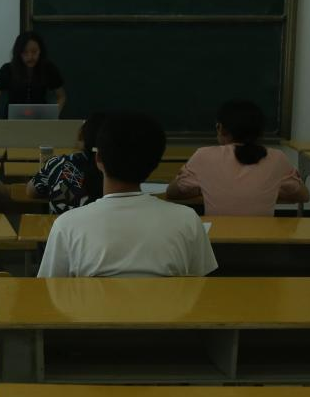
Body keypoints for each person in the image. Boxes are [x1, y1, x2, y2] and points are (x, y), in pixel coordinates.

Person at [38, 113, 218, 278]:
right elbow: (199, 286)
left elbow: (50, 291)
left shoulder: (67, 225)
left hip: (91, 305)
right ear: (155, 163)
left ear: (98, 159)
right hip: (165, 305)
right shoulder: (187, 220)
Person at [166, 99, 310, 215]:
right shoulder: (277, 158)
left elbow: (172, 192)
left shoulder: (203, 156)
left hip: (217, 239)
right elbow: (303, 195)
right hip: (263, 239)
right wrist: (268, 190)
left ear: (220, 128)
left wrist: (203, 188)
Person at [26, 113, 106, 213]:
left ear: (81, 137)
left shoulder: (59, 165)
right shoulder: (118, 171)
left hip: (60, 222)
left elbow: (31, 191)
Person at [0, 31, 67, 119]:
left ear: (40, 51)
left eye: (34, 52)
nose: (30, 57)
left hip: (41, 120)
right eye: (25, 52)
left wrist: (53, 116)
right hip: (11, 121)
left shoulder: (48, 68)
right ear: (19, 53)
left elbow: (61, 96)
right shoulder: (8, 69)